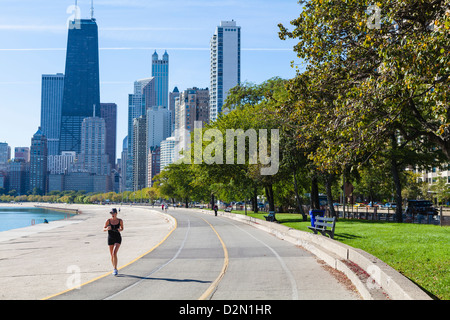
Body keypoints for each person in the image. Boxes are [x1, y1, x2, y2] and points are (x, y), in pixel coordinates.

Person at [103, 208, 123, 276]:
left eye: (113, 213)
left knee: (114, 253)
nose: (112, 214)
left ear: (116, 213)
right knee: (112, 255)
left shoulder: (120, 221)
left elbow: (122, 228)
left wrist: (120, 229)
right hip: (110, 238)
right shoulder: (108, 221)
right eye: (111, 213)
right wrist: (106, 229)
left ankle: (115, 269)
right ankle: (115, 268)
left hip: (117, 238)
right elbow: (103, 228)